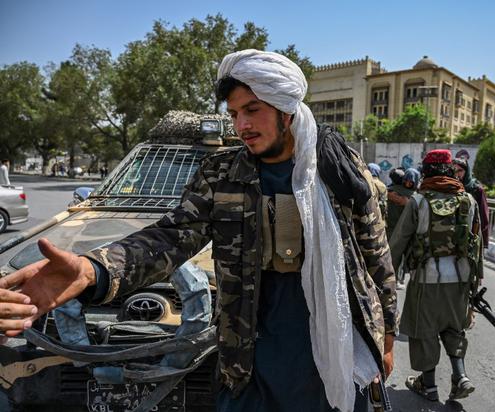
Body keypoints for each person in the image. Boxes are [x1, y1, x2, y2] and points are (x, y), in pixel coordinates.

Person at [0, 50, 397, 412]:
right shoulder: (222, 174)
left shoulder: (338, 170)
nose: (241, 124)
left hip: (332, 341)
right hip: (252, 350)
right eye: (235, 113)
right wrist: (92, 271)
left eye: (252, 110)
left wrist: (387, 336)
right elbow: (169, 238)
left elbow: (375, 256)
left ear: (286, 109)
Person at [390, 149, 484, 402]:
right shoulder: (469, 201)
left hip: (426, 279)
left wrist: (384, 279)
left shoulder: (418, 202)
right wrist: (476, 283)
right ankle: (461, 377)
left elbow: (398, 243)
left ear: (426, 171)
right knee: (454, 329)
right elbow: (478, 245)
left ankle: (429, 386)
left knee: (424, 331)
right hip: (461, 280)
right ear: (450, 170)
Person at [453, 157, 489, 247]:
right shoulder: (451, 188)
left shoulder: (477, 190)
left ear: (466, 171)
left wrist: (481, 239)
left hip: (471, 236)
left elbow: (483, 217)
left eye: (460, 170)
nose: (457, 174)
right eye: (454, 171)